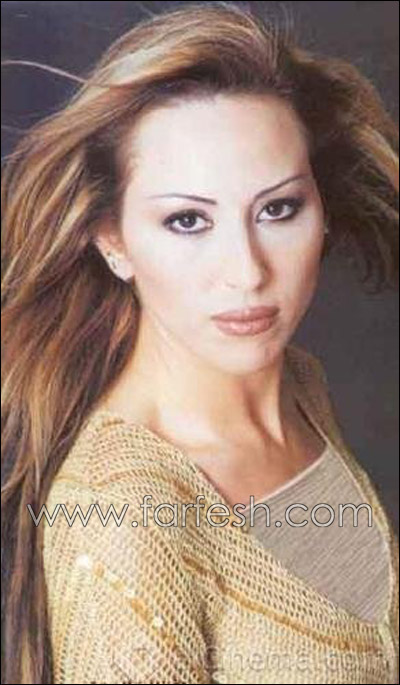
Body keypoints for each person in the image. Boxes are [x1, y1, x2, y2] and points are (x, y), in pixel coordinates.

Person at [1, 3, 398, 683]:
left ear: (322, 210)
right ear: (113, 240)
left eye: (277, 209)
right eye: (188, 220)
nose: (247, 272)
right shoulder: (123, 513)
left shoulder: (298, 386)